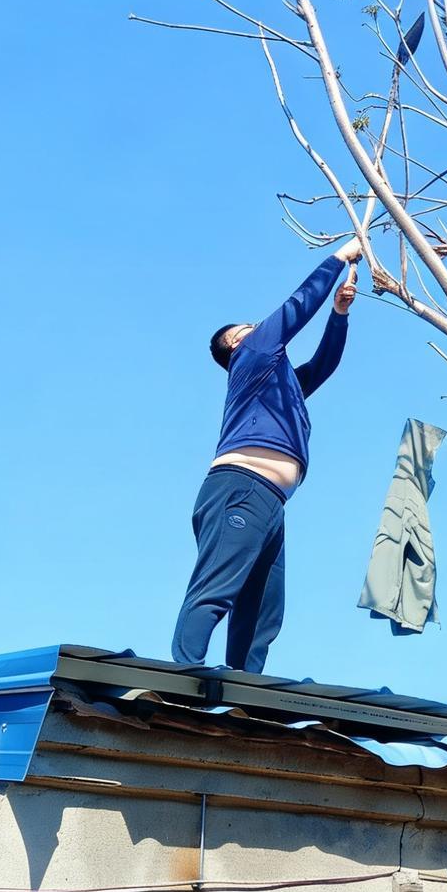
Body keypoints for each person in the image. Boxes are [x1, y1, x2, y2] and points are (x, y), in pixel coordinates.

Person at [170, 238, 363, 674]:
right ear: (237, 344)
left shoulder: (279, 385)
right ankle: (181, 675)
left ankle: (243, 689)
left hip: (272, 501)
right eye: (250, 327)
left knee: (262, 612)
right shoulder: (252, 355)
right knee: (217, 586)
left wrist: (340, 314)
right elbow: (296, 308)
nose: (260, 327)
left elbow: (322, 367)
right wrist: (337, 258)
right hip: (240, 486)